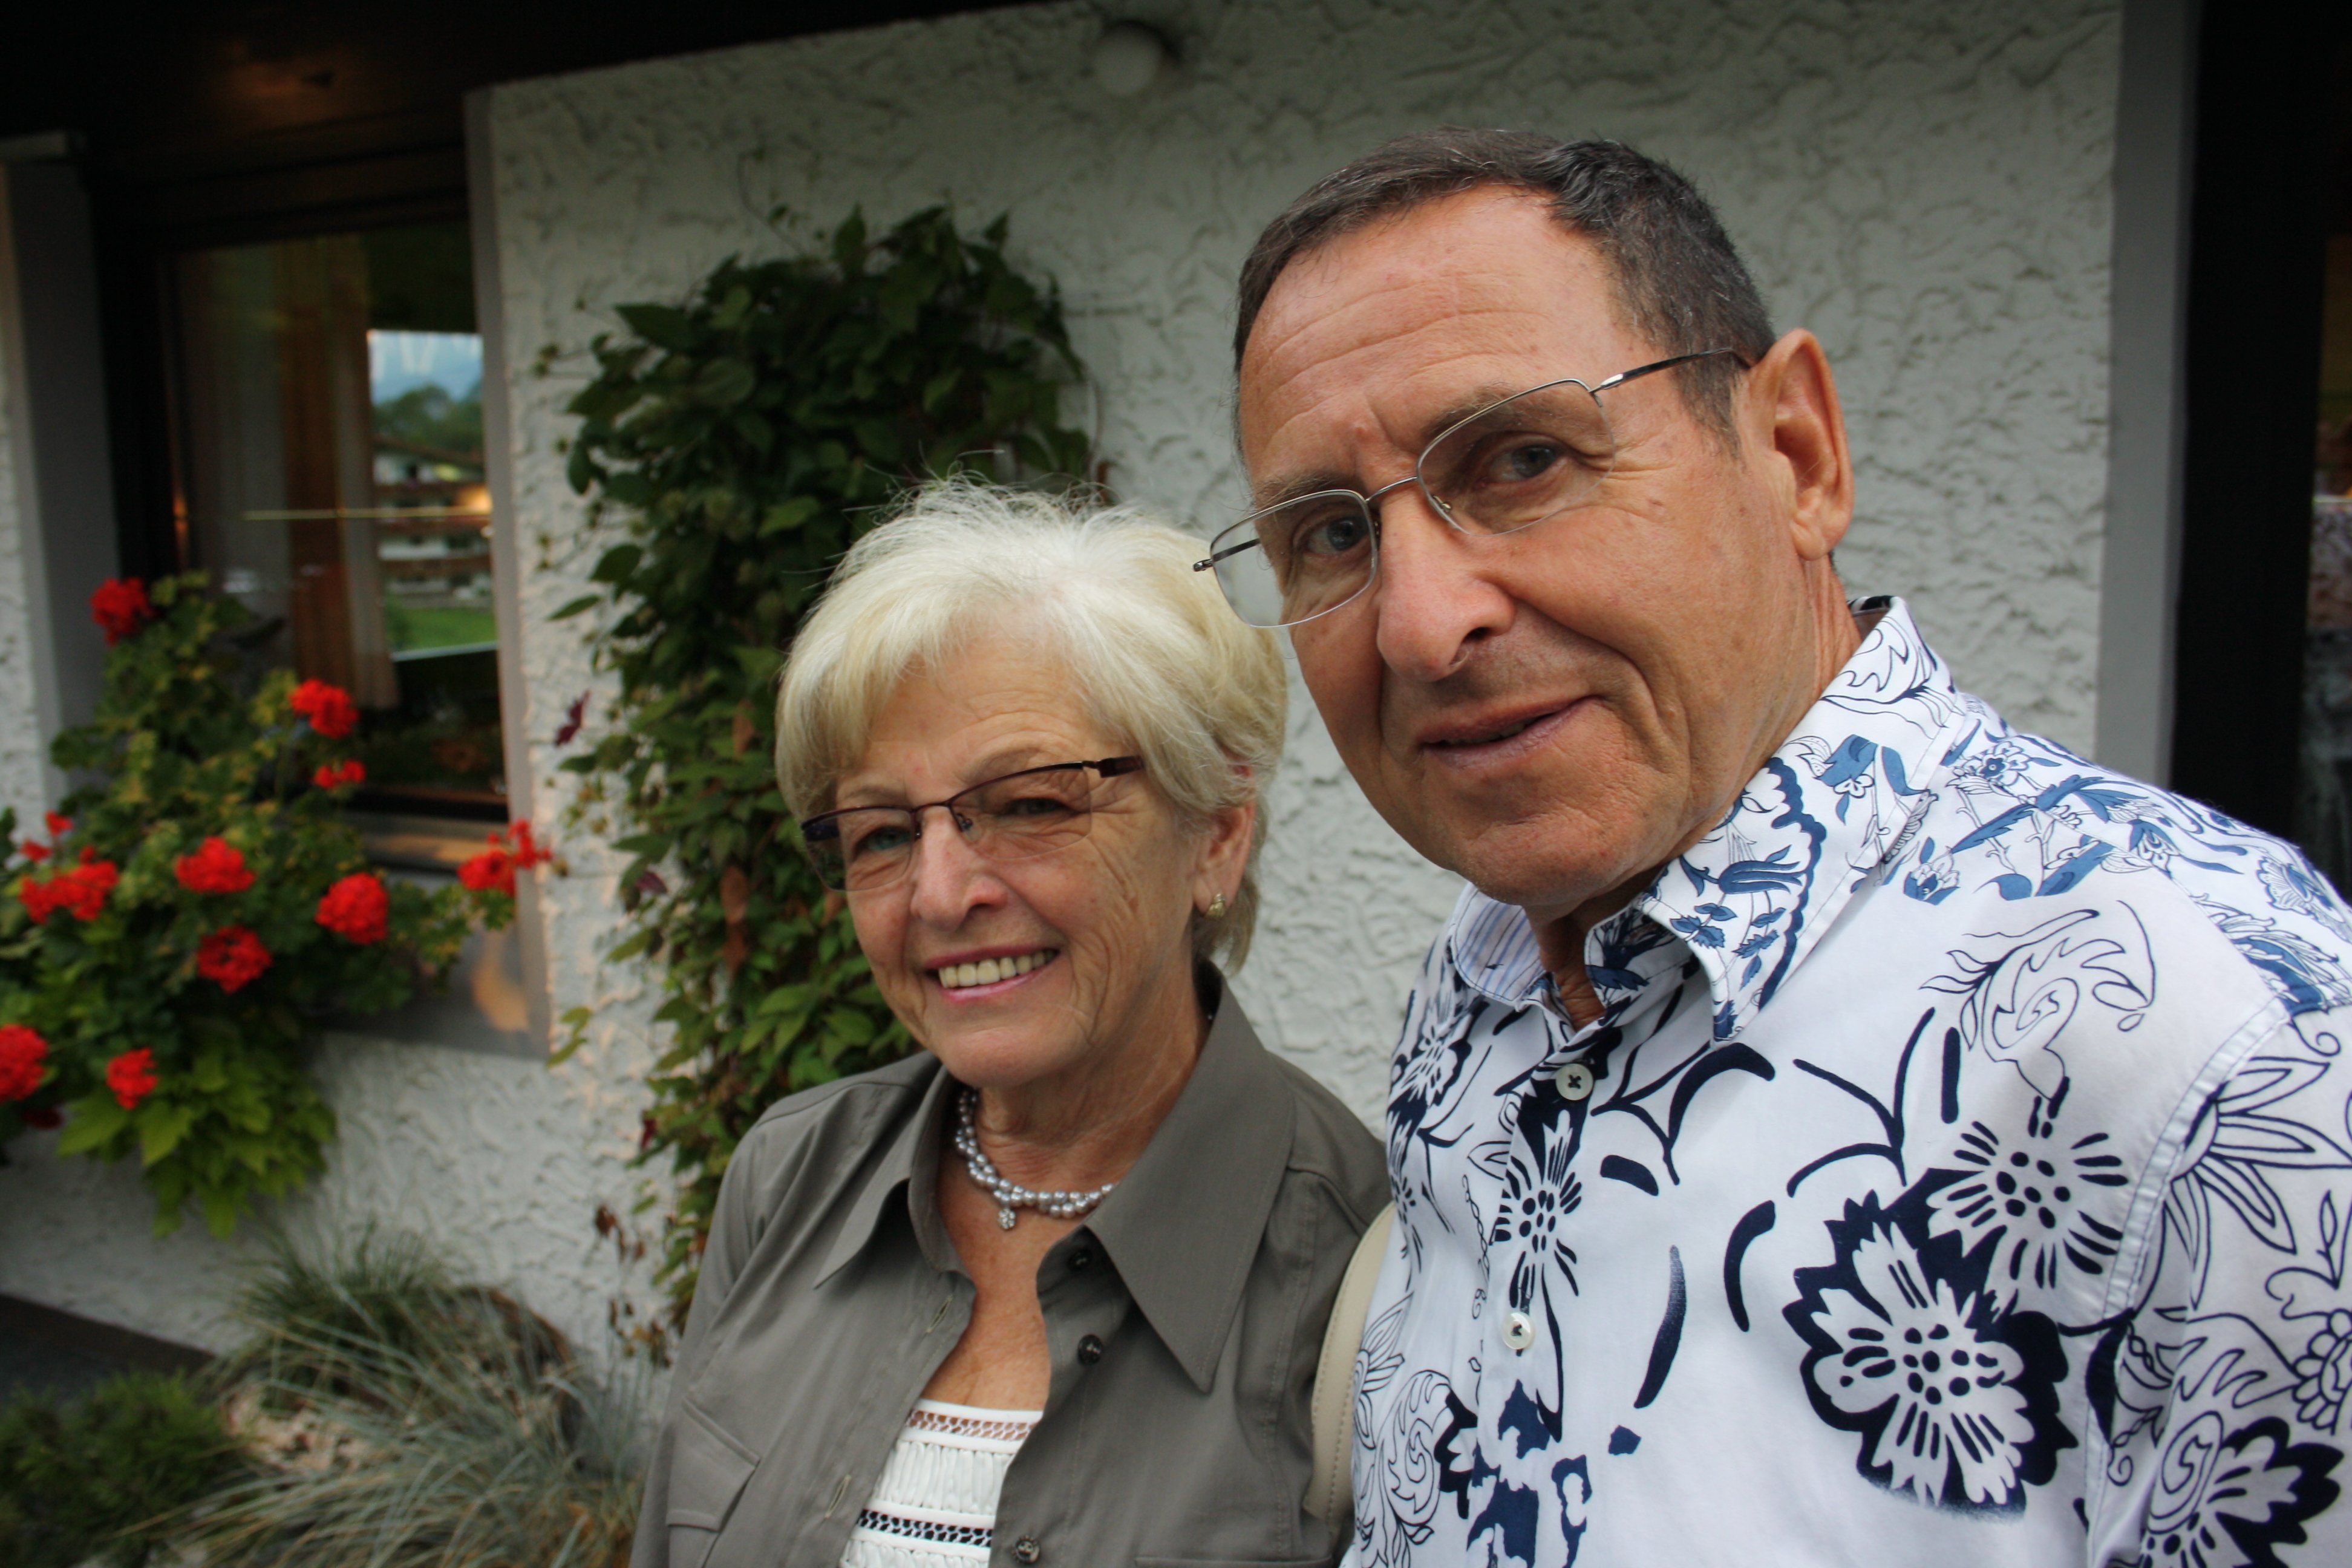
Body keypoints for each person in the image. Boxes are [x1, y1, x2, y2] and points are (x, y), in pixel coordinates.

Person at [1212, 129, 2352, 1566]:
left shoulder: (2238, 1062)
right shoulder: (1492, 965)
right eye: (1329, 534)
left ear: (1797, 454)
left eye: (1521, 460)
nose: (1421, 625)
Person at [630, 482, 1387, 1568]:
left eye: (1032, 804)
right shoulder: (790, 1180)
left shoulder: (1371, 1265)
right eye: (880, 833)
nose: (939, 895)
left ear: (1216, 836)